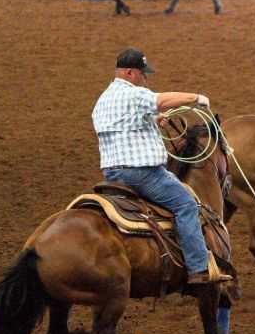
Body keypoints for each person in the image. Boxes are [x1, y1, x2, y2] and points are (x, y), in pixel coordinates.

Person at [92, 49, 231, 285]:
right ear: (129, 73)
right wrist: (196, 98)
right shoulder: (134, 95)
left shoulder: (103, 101)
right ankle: (198, 268)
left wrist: (151, 119)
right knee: (186, 204)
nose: (145, 79)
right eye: (142, 74)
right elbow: (161, 100)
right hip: (142, 175)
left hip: (112, 175)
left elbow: (122, 125)